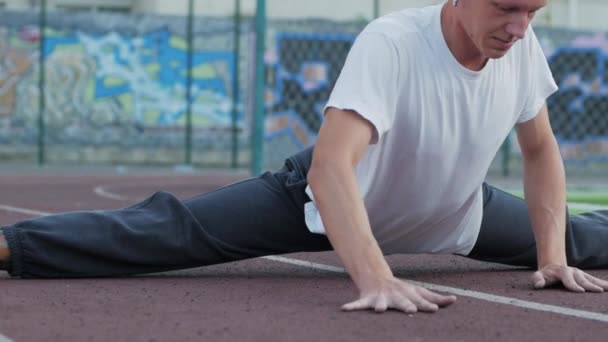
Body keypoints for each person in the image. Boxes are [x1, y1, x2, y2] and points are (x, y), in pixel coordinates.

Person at [1, 0, 608, 314]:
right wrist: (375, 277)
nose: (519, 26)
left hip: (456, 212)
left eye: (533, 11)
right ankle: (10, 245)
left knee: (580, 242)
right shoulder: (393, 42)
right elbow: (330, 166)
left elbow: (541, 149)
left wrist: (551, 257)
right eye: (506, 7)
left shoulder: (524, 48)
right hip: (323, 206)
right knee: (173, 231)